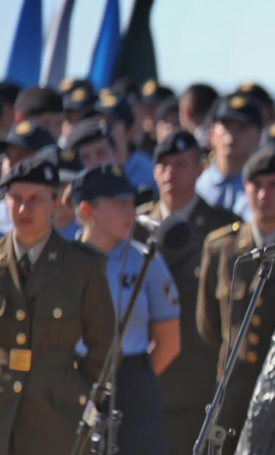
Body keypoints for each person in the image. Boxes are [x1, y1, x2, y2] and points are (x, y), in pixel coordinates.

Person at [0, 156, 115, 455]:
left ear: (56, 203)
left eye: (36, 199)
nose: (24, 209)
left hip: (55, 413)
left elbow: (103, 344)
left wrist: (76, 390)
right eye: (16, 199)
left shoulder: (82, 266)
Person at [138, 130, 240, 455]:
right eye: (163, 165)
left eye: (181, 164)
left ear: (200, 169)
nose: (170, 173)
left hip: (196, 382)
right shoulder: (133, 226)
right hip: (142, 379)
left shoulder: (222, 229)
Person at [197, 146, 275, 455]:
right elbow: (209, 325)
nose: (264, 194)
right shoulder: (222, 247)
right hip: (234, 389)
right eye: (256, 185)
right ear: (245, 187)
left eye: (274, 185)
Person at [74, 163, 180, 455]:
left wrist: (133, 379)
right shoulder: (65, 263)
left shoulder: (147, 260)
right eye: (119, 204)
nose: (130, 212)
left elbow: (169, 341)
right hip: (74, 383)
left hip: (133, 386)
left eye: (132, 203)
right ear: (87, 210)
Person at [196, 94, 263, 216]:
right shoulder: (197, 185)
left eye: (242, 127)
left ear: (258, 136)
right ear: (212, 133)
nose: (232, 135)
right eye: (226, 126)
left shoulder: (264, 189)